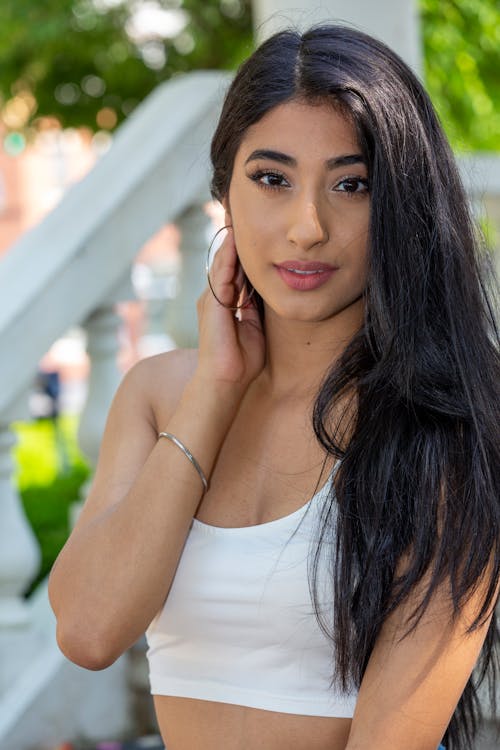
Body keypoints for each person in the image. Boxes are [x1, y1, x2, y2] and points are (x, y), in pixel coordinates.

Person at [48, 23, 499, 750]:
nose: (307, 227)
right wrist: (215, 389)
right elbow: (90, 630)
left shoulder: (451, 422)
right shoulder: (161, 394)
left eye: (352, 185)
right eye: (271, 178)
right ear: (224, 190)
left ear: (402, 207)